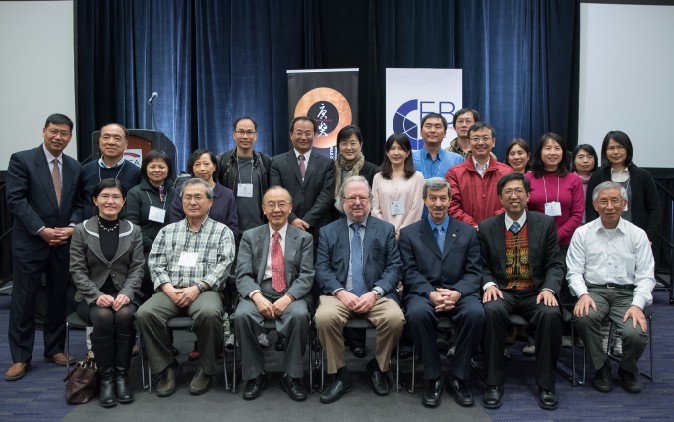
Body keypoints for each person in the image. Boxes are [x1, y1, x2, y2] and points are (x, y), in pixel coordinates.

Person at [136, 178, 235, 397]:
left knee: (209, 313)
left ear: (210, 202)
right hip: (170, 290)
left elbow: (224, 265)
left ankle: (207, 369)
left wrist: (197, 288)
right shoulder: (167, 232)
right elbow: (155, 262)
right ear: (181, 202)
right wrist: (169, 289)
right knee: (145, 313)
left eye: (198, 197)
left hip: (205, 290)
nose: (192, 202)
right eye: (187, 197)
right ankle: (167, 367)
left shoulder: (222, 232)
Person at [314, 176, 405, 403]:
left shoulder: (385, 230)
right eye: (351, 197)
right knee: (324, 317)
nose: (357, 202)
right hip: (339, 294)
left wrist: (375, 293)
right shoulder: (328, 231)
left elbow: (395, 267)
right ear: (341, 201)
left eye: (362, 197)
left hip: (376, 294)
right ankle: (340, 374)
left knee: (395, 318)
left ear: (370, 200)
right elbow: (322, 269)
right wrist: (341, 292)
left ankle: (378, 366)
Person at [478, 173, 564, 410]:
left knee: (550, 313)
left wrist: (549, 288)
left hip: (535, 291)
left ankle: (546, 385)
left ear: (528, 196)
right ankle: (493, 383)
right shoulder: (486, 227)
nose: (513, 196)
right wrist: (489, 284)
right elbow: (481, 265)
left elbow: (555, 264)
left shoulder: (544, 223)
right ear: (500, 199)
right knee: (491, 311)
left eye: (518, 191)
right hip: (503, 291)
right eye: (508, 192)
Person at [5, 113, 82, 381]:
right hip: (31, 242)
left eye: (64, 134)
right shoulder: (22, 160)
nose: (58, 137)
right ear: (44, 131)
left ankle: (54, 349)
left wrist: (72, 226)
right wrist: (42, 230)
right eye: (54, 131)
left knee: (58, 299)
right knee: (24, 301)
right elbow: (16, 200)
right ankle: (20, 358)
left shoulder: (74, 167)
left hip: (62, 243)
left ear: (70, 137)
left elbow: (81, 202)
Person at [399, 177, 484, 408]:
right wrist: (431, 294)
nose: (438, 204)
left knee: (476, 313)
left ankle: (459, 376)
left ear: (450, 200)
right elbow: (409, 272)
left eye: (443, 198)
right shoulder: (409, 234)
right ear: (424, 200)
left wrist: (455, 293)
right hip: (424, 294)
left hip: (460, 293)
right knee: (416, 314)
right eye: (433, 198)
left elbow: (474, 272)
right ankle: (433, 376)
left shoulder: (468, 233)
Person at [567, 181, 655, 394]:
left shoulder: (637, 235)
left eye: (615, 200)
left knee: (635, 333)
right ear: (595, 205)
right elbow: (574, 271)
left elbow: (646, 277)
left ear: (624, 204)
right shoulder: (582, 233)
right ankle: (601, 367)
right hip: (594, 291)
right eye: (603, 201)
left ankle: (627, 369)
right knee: (584, 317)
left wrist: (637, 305)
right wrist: (583, 294)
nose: (609, 206)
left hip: (628, 294)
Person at [234, 187, 314, 402]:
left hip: (291, 293)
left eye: (281, 204)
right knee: (242, 315)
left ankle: (292, 375)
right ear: (263, 209)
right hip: (258, 291)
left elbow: (307, 275)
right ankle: (255, 375)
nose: (276, 209)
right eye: (271, 204)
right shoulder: (251, 236)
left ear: (290, 208)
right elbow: (242, 273)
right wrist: (257, 296)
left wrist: (288, 298)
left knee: (299, 316)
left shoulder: (304, 238)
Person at [69, 179, 144, 407]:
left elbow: (138, 267)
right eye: (105, 196)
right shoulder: (82, 230)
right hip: (90, 297)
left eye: (115, 197)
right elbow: (77, 269)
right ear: (95, 200)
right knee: (102, 315)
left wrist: (128, 292)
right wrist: (95, 295)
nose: (110, 201)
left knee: (124, 315)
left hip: (124, 294)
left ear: (123, 202)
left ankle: (122, 377)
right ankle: (106, 379)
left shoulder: (133, 230)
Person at [332, 124, 379, 356]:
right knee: (342, 277)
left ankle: (359, 341)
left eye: (353, 142)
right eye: (344, 142)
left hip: (364, 225)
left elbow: (373, 202)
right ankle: (338, 337)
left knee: (360, 274)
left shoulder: (372, 170)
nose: (348, 147)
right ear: (338, 146)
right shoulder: (331, 169)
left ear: (361, 145)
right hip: (336, 229)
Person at [271, 116, 336, 246]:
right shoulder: (277, 162)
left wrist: (307, 221)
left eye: (308, 133)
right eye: (299, 133)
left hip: (318, 228)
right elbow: (276, 193)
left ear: (315, 135)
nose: (303, 137)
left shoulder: (327, 163)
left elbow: (327, 195)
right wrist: (292, 219)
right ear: (291, 135)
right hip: (286, 226)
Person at [585, 131, 660, 243]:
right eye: (611, 148)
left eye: (620, 147)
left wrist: (648, 238)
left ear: (628, 149)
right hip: (604, 238)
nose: (616, 152)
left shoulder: (643, 176)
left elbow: (654, 210)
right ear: (605, 152)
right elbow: (591, 210)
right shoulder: (597, 177)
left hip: (636, 238)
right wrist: (594, 236)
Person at [126, 150, 176, 299]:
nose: (157, 170)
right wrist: (154, 247)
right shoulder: (135, 193)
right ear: (145, 168)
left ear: (168, 169)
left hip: (172, 250)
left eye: (161, 167)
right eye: (152, 166)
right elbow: (132, 225)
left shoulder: (176, 193)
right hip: (145, 250)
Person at [445, 122, 513, 227]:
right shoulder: (454, 173)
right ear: (468, 142)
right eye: (476, 139)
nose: (481, 143)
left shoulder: (507, 172)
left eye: (485, 138)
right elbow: (452, 205)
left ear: (493, 142)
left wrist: (491, 225)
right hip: (465, 232)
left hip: (498, 230)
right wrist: (472, 226)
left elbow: (511, 201)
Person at [525, 133, 584, 251]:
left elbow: (577, 215)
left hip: (565, 244)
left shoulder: (574, 179)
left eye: (557, 148)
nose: (553, 153)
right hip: (535, 241)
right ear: (540, 152)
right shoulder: (527, 178)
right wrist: (539, 236)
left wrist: (556, 235)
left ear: (563, 152)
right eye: (548, 148)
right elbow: (523, 211)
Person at [216, 116, 272, 234]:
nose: (245, 136)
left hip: (259, 229)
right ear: (234, 134)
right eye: (241, 132)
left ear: (256, 136)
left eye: (249, 132)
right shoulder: (222, 161)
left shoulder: (265, 162)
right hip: (229, 229)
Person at [170, 148, 238, 237]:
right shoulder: (182, 191)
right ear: (192, 169)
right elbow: (175, 222)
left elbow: (232, 228)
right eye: (197, 164)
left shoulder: (227, 194)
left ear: (214, 167)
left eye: (206, 164)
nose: (202, 168)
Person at [80, 123, 141, 219]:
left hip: (124, 229)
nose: (111, 142)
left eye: (117, 138)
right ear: (99, 141)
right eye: (106, 137)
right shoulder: (84, 170)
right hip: (88, 229)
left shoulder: (137, 173)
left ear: (126, 145)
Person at [371, 133, 425, 241]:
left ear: (408, 152)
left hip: (409, 237)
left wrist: (400, 233)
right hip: (383, 237)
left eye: (401, 149)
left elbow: (416, 210)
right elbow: (375, 209)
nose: (396, 153)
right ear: (387, 152)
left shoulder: (417, 177)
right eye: (392, 148)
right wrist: (388, 233)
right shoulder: (378, 177)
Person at [571, 144, 598, 224]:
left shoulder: (599, 180)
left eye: (589, 157)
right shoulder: (567, 180)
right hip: (573, 224)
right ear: (574, 160)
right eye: (580, 157)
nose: (585, 160)